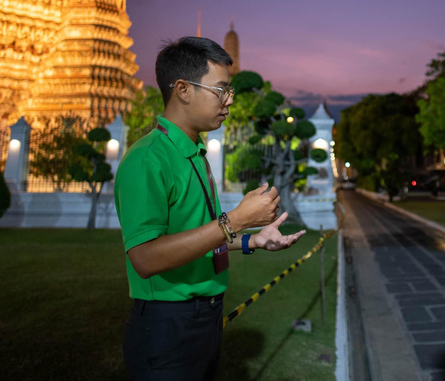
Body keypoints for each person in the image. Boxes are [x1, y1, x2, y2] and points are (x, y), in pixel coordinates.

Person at [115, 37, 306, 381]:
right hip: (167, 324)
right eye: (221, 90)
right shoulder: (148, 158)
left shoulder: (196, 154)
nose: (230, 100)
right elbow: (144, 258)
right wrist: (235, 219)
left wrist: (251, 240)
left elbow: (201, 235)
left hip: (207, 318)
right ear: (184, 90)